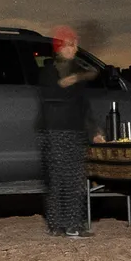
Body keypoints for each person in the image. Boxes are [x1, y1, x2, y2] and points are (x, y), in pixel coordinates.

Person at [37, 25, 98, 237]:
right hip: (54, 131)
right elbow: (52, 93)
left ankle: (74, 225)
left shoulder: (76, 71)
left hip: (75, 131)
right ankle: (56, 225)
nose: (74, 48)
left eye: (75, 44)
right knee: (57, 178)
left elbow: (84, 105)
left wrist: (94, 130)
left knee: (75, 179)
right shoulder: (48, 71)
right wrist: (75, 78)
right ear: (59, 47)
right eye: (70, 44)